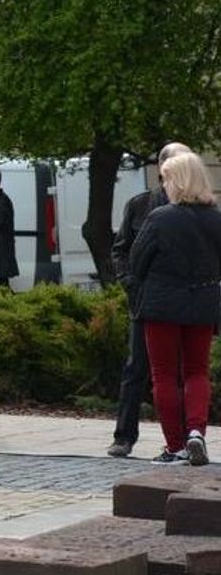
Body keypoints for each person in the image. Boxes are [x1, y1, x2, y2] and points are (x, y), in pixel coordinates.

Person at [129, 151, 219, 467]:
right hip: (204, 303)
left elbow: (137, 262)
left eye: (166, 179)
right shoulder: (216, 219)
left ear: (176, 181)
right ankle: (196, 431)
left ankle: (176, 446)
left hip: (162, 304)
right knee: (197, 371)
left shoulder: (160, 218)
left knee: (164, 375)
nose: (164, 185)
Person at [106, 142, 193, 459]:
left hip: (183, 303)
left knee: (182, 372)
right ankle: (124, 436)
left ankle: (184, 439)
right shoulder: (140, 204)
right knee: (136, 370)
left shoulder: (195, 208)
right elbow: (120, 250)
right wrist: (130, 284)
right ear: (162, 169)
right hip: (145, 302)